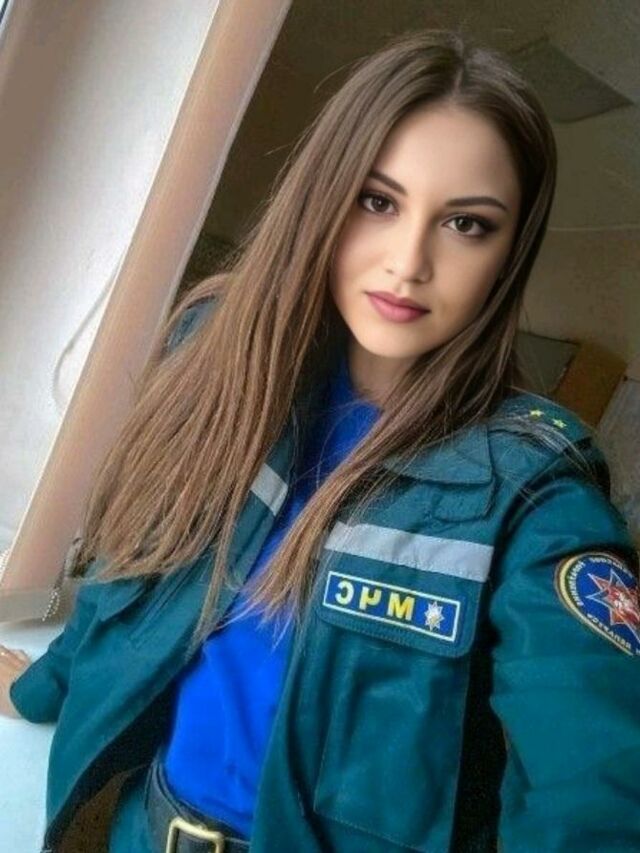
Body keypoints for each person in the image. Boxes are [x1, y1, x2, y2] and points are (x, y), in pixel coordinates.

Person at [1, 28, 639, 853]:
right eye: (378, 201)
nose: (408, 262)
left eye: (466, 223)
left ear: (508, 254)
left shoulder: (533, 492)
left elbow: (595, 785)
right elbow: (133, 566)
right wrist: (42, 686)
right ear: (324, 197)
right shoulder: (221, 360)